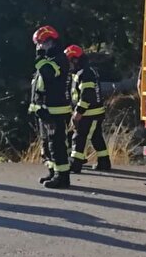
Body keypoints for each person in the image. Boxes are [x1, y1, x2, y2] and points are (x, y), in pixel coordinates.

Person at [29, 25, 72, 189]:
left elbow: (49, 74)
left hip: (55, 111)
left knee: (57, 145)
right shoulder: (47, 60)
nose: (40, 47)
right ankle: (53, 172)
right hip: (44, 110)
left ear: (52, 42)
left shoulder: (59, 59)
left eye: (42, 43)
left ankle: (62, 177)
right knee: (47, 145)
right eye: (38, 44)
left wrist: (39, 58)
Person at [64, 44, 111, 173]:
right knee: (96, 137)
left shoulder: (85, 73)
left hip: (89, 114)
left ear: (75, 60)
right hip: (93, 113)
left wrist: (79, 112)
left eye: (69, 62)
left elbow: (87, 95)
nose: (68, 65)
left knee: (79, 137)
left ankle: (75, 164)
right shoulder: (84, 72)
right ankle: (104, 162)